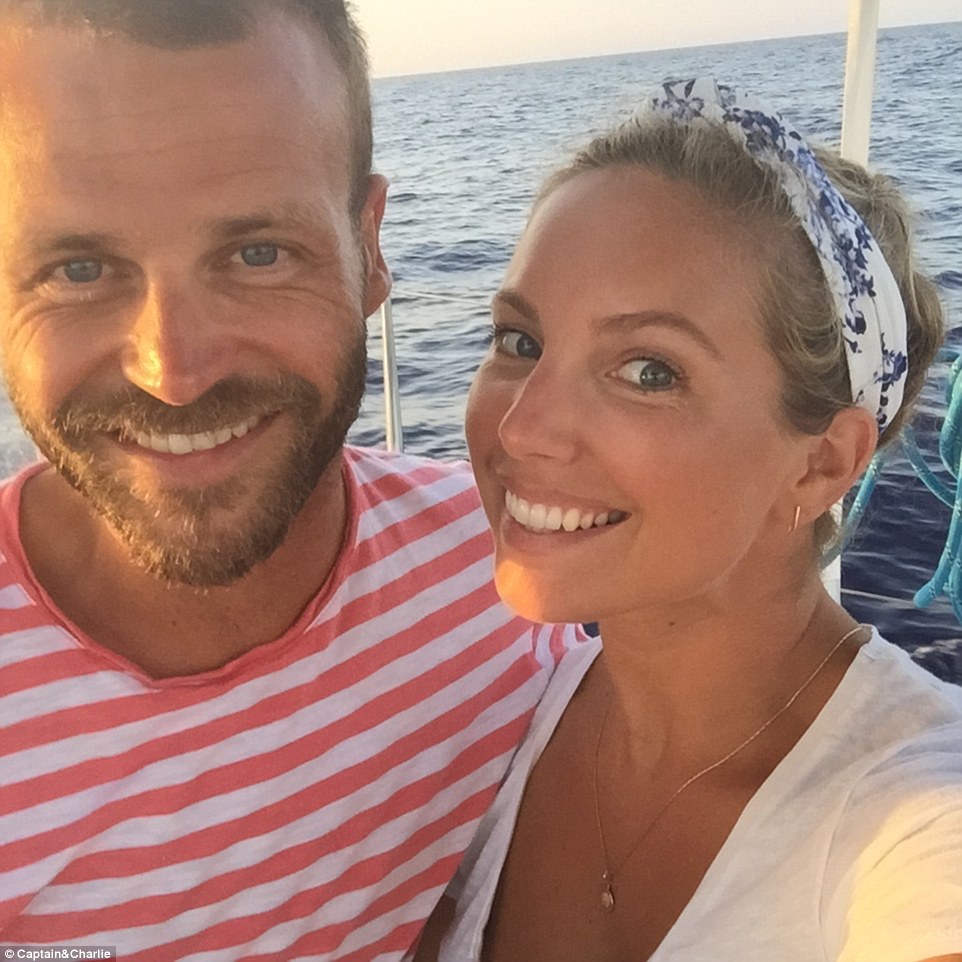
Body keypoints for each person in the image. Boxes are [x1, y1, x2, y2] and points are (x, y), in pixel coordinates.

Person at [0, 2, 581, 957]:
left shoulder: (505, 585)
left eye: (257, 254)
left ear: (369, 247)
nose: (174, 370)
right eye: (79, 268)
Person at [416, 78, 962, 961]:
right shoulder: (511, 714)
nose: (520, 429)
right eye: (521, 342)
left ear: (823, 461)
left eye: (649, 372)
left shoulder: (918, 822)